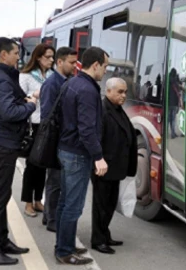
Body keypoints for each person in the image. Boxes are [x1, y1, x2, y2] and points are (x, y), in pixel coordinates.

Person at [0, 37, 37, 266]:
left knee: (0, 195)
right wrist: (31, 103)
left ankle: (1, 241)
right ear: (3, 55)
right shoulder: (0, 79)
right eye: (15, 53)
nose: (18, 57)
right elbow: (10, 112)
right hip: (0, 142)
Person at [55, 47, 109, 265]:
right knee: (73, 206)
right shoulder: (87, 90)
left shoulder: (72, 83)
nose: (105, 71)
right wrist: (98, 156)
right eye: (105, 66)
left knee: (64, 202)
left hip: (66, 148)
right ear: (95, 65)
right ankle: (65, 251)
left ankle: (63, 243)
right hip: (78, 153)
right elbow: (87, 128)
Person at [91, 78, 137, 254]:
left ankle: (105, 234)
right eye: (120, 92)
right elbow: (97, 139)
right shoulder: (103, 111)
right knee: (101, 206)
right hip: (105, 167)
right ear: (108, 91)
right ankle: (98, 240)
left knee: (109, 205)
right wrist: (98, 161)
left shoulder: (118, 109)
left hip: (116, 167)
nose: (124, 95)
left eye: (125, 92)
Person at [40, 47, 78, 233]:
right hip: (55, 139)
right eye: (71, 62)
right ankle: (52, 218)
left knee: (60, 181)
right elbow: (46, 115)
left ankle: (50, 214)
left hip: (65, 139)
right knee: (55, 181)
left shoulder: (69, 81)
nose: (74, 66)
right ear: (60, 62)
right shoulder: (51, 84)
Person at [19, 43, 55, 218]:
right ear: (38, 57)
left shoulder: (52, 75)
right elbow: (19, 97)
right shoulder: (26, 76)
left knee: (43, 164)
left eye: (52, 57)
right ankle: (28, 202)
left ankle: (38, 200)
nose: (51, 60)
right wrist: (33, 96)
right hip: (32, 124)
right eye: (48, 57)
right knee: (32, 166)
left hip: (47, 124)